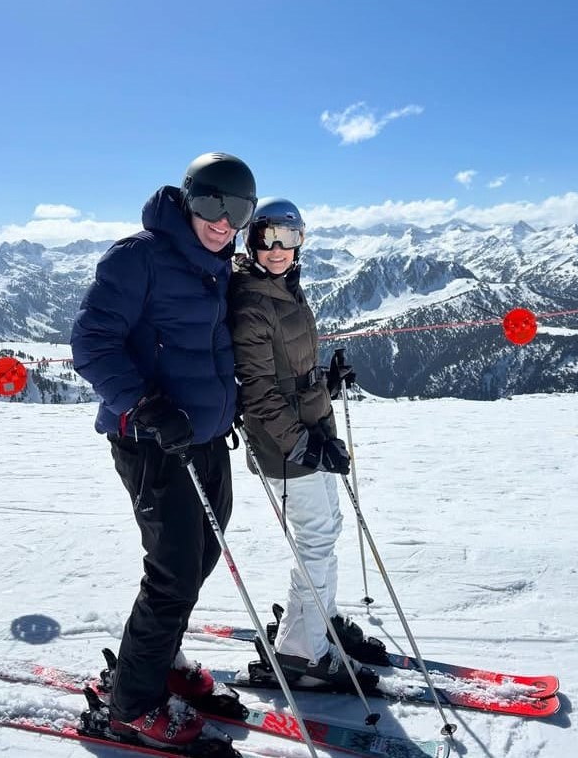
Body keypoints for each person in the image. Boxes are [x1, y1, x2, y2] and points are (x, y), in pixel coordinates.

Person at [70, 152, 257, 748]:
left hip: (205, 436)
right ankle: (133, 701)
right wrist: (144, 404)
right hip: (150, 440)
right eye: (212, 205)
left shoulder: (220, 266)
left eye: (238, 211)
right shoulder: (138, 257)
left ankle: (161, 658)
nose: (223, 222)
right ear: (187, 199)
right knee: (174, 569)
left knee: (202, 552)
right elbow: (91, 342)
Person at [229, 197, 381, 692]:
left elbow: (287, 371)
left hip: (310, 431)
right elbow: (258, 391)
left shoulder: (282, 289)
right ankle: (301, 652)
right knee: (315, 540)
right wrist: (299, 444)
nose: (277, 250)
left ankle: (321, 620)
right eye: (266, 239)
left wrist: (326, 383)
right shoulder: (252, 303)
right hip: (286, 446)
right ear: (250, 243)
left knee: (327, 531)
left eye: (288, 239)